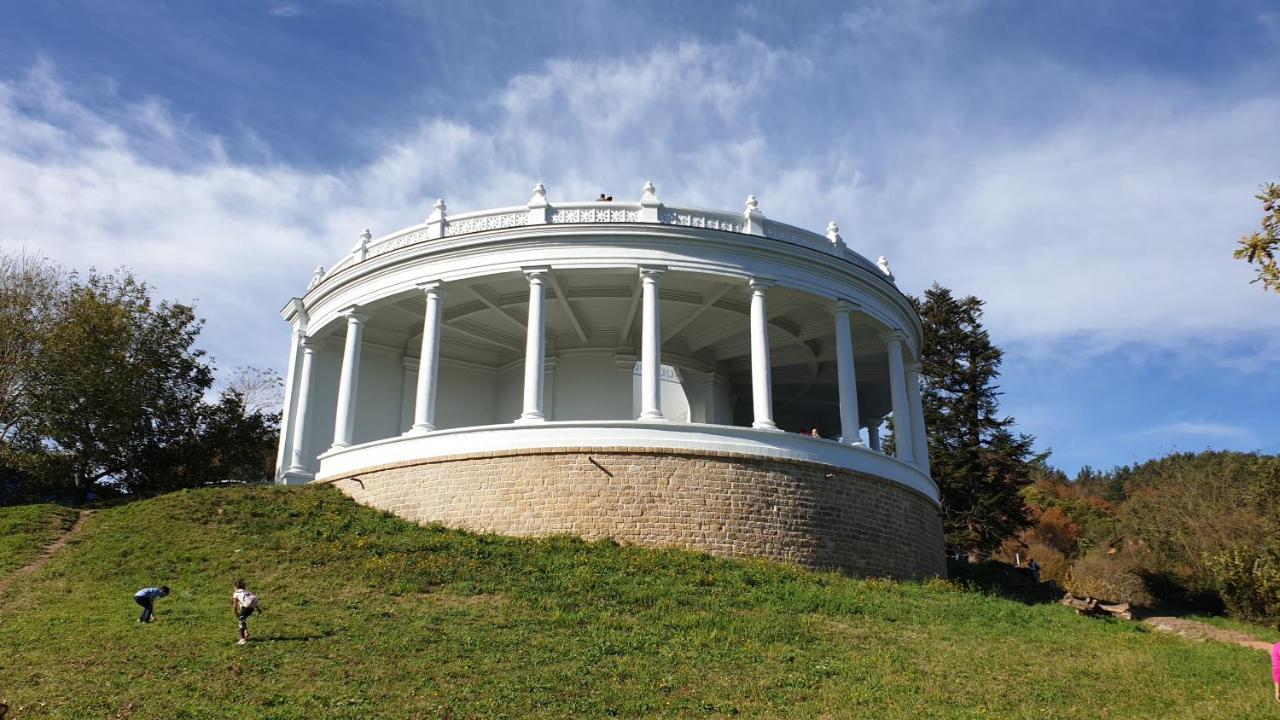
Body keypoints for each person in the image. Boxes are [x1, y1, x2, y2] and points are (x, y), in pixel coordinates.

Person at [232, 579, 260, 645]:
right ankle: (246, 632)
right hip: (251, 608)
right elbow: (251, 600)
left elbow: (235, 605)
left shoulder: (236, 593)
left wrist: (235, 613)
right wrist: (258, 609)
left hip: (246, 608)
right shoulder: (247, 592)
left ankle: (243, 639)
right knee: (242, 619)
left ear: (236, 587)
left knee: (240, 621)